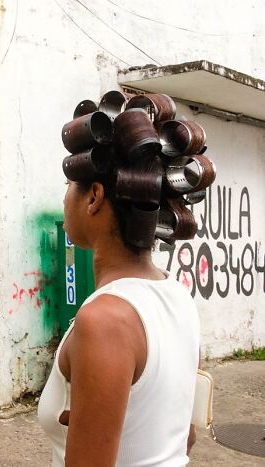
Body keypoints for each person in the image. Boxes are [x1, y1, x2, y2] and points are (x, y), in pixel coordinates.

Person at [38, 102, 215, 465]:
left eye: (69, 186)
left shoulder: (104, 321)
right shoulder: (178, 297)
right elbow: (186, 434)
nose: (64, 198)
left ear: (94, 197)